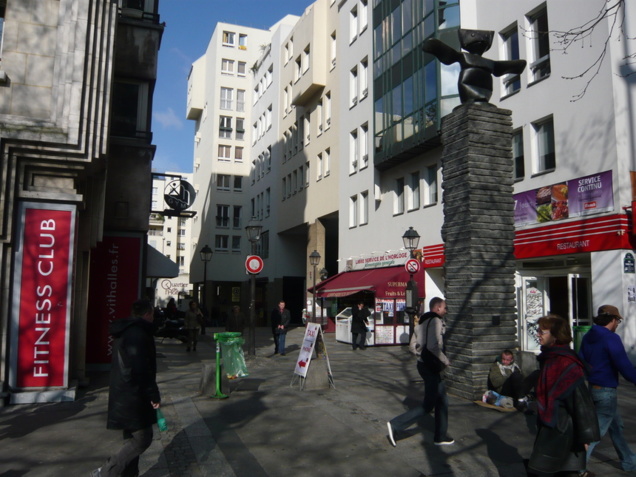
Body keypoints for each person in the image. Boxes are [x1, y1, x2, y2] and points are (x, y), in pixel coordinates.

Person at [91, 299, 161, 477]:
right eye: (152, 314)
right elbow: (141, 369)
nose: (153, 318)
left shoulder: (128, 331)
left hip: (125, 393)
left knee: (132, 438)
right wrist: (153, 395)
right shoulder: (137, 334)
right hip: (133, 394)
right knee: (142, 439)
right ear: (147, 314)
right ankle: (107, 472)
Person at [528, 315, 600, 477]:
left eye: (542, 331)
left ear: (555, 335)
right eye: (537, 330)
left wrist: (586, 437)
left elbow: (581, 401)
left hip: (563, 430)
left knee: (542, 471)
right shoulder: (549, 358)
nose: (538, 334)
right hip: (551, 426)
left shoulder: (565, 362)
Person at [387, 297, 453, 447]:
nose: (446, 310)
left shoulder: (422, 322)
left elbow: (412, 346)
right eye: (445, 308)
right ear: (437, 308)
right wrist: (445, 360)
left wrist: (421, 356)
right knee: (429, 405)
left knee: (442, 401)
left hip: (423, 365)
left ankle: (441, 436)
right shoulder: (436, 321)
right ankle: (396, 424)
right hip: (432, 367)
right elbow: (433, 346)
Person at [579, 305, 636, 474]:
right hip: (606, 391)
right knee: (594, 434)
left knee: (616, 427)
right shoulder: (611, 338)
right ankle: (577, 468)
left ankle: (628, 461)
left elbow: (581, 360)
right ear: (612, 320)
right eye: (617, 320)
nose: (618, 323)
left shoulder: (589, 336)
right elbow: (623, 365)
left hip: (592, 388)